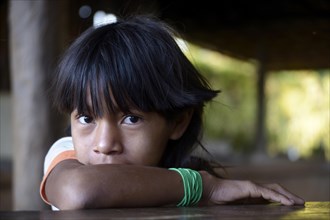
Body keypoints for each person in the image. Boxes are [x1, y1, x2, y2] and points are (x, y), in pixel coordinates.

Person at [39, 15, 304, 210]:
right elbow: (79, 191)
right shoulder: (66, 156)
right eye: (86, 118)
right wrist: (205, 187)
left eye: (131, 118)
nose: (104, 144)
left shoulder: (180, 177)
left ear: (178, 122)